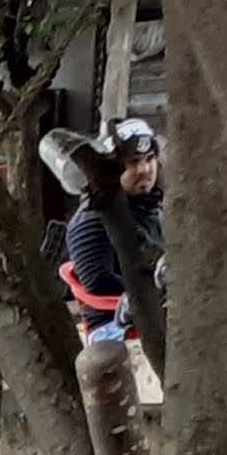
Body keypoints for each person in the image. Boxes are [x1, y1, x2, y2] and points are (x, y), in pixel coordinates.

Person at [66, 119, 163, 324]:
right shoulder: (91, 220)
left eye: (150, 158)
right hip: (115, 327)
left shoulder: (152, 208)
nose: (145, 169)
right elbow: (97, 283)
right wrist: (159, 288)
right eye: (133, 162)